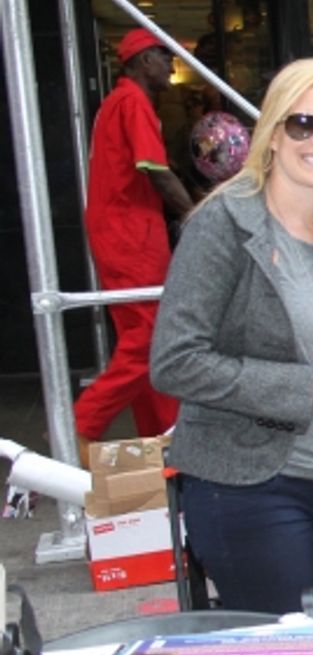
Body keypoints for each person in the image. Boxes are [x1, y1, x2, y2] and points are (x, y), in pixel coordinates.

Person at [150, 54, 313, 614]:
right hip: (247, 484)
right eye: (303, 123)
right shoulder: (222, 225)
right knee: (285, 651)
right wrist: (307, 384)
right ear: (273, 133)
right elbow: (175, 361)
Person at [74, 28, 195, 459]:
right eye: (165, 57)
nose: (171, 67)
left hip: (123, 231)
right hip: (130, 234)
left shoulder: (119, 102)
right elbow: (156, 170)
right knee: (151, 338)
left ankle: (162, 437)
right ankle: (82, 422)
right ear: (145, 60)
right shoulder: (133, 103)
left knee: (142, 338)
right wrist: (196, 214)